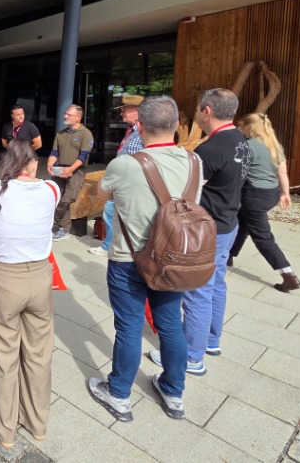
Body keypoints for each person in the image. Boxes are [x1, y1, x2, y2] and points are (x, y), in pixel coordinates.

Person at [88, 96, 196, 422]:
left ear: (141, 126)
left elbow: (102, 195)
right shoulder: (195, 162)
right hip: (173, 259)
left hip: (127, 259)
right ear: (177, 125)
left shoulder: (125, 163)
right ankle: (173, 392)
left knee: (130, 327)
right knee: (170, 326)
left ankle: (119, 393)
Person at [149, 88, 251, 374]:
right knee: (216, 283)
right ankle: (210, 340)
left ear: (206, 111)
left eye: (197, 108)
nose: (194, 113)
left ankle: (191, 356)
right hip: (228, 222)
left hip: (207, 230)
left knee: (196, 290)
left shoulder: (211, 148)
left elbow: (189, 191)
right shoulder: (239, 140)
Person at [0, 138, 57, 447]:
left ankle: (4, 428)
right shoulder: (51, 190)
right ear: (33, 164)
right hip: (40, 275)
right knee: (38, 353)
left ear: (10, 163)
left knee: (2, 352)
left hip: (5, 276)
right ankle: (37, 423)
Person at [229, 113, 300, 292]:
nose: (239, 129)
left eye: (241, 126)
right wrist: (285, 193)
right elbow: (282, 173)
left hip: (253, 195)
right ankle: (228, 255)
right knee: (243, 222)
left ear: (250, 127)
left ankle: (288, 274)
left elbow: (237, 172)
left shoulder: (247, 146)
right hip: (271, 194)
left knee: (262, 236)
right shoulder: (275, 146)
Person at [90, 95, 144, 257]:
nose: (121, 114)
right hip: (121, 181)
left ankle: (112, 246)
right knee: (110, 212)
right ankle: (110, 245)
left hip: (130, 183)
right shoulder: (132, 131)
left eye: (124, 110)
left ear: (136, 111)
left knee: (113, 212)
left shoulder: (143, 132)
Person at [48, 105, 94, 242]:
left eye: (69, 114)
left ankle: (50, 220)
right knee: (56, 197)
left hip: (76, 171)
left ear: (78, 117)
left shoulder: (85, 134)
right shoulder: (60, 134)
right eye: (65, 114)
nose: (65, 116)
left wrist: (70, 169)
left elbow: (84, 155)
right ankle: (64, 229)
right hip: (60, 169)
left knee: (67, 199)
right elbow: (55, 152)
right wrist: (50, 163)